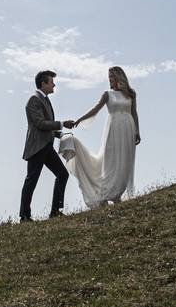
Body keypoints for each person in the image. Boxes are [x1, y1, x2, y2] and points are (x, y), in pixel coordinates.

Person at [60, 66, 140, 208]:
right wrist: (79, 120)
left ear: (119, 77)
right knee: (111, 161)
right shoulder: (107, 94)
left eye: (112, 76)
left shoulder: (131, 94)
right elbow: (95, 109)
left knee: (125, 162)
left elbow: (134, 113)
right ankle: (104, 194)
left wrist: (137, 131)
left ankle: (117, 195)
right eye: (109, 77)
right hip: (113, 128)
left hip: (128, 128)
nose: (110, 79)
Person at [19, 70, 76, 222]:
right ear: (43, 83)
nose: (54, 84)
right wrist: (62, 124)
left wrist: (60, 134)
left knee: (62, 174)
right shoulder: (34, 99)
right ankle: (24, 217)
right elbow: (40, 124)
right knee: (31, 180)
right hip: (37, 147)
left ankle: (55, 211)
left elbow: (45, 126)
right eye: (51, 82)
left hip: (46, 146)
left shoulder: (43, 99)